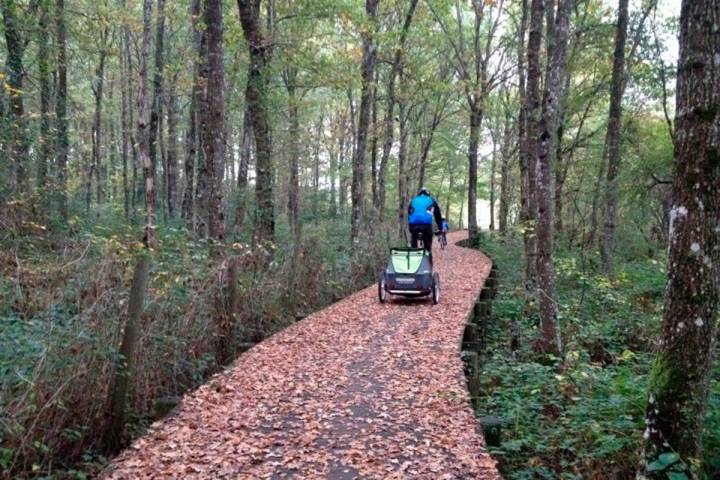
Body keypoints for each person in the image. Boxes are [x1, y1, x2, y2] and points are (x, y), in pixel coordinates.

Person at [407, 187, 443, 256]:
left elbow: (409, 213)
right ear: (428, 194)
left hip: (413, 225)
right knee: (427, 245)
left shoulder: (413, 200)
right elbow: (438, 215)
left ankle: (413, 253)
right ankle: (427, 254)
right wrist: (440, 228)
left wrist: (410, 225)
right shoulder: (432, 200)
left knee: (413, 240)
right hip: (426, 226)